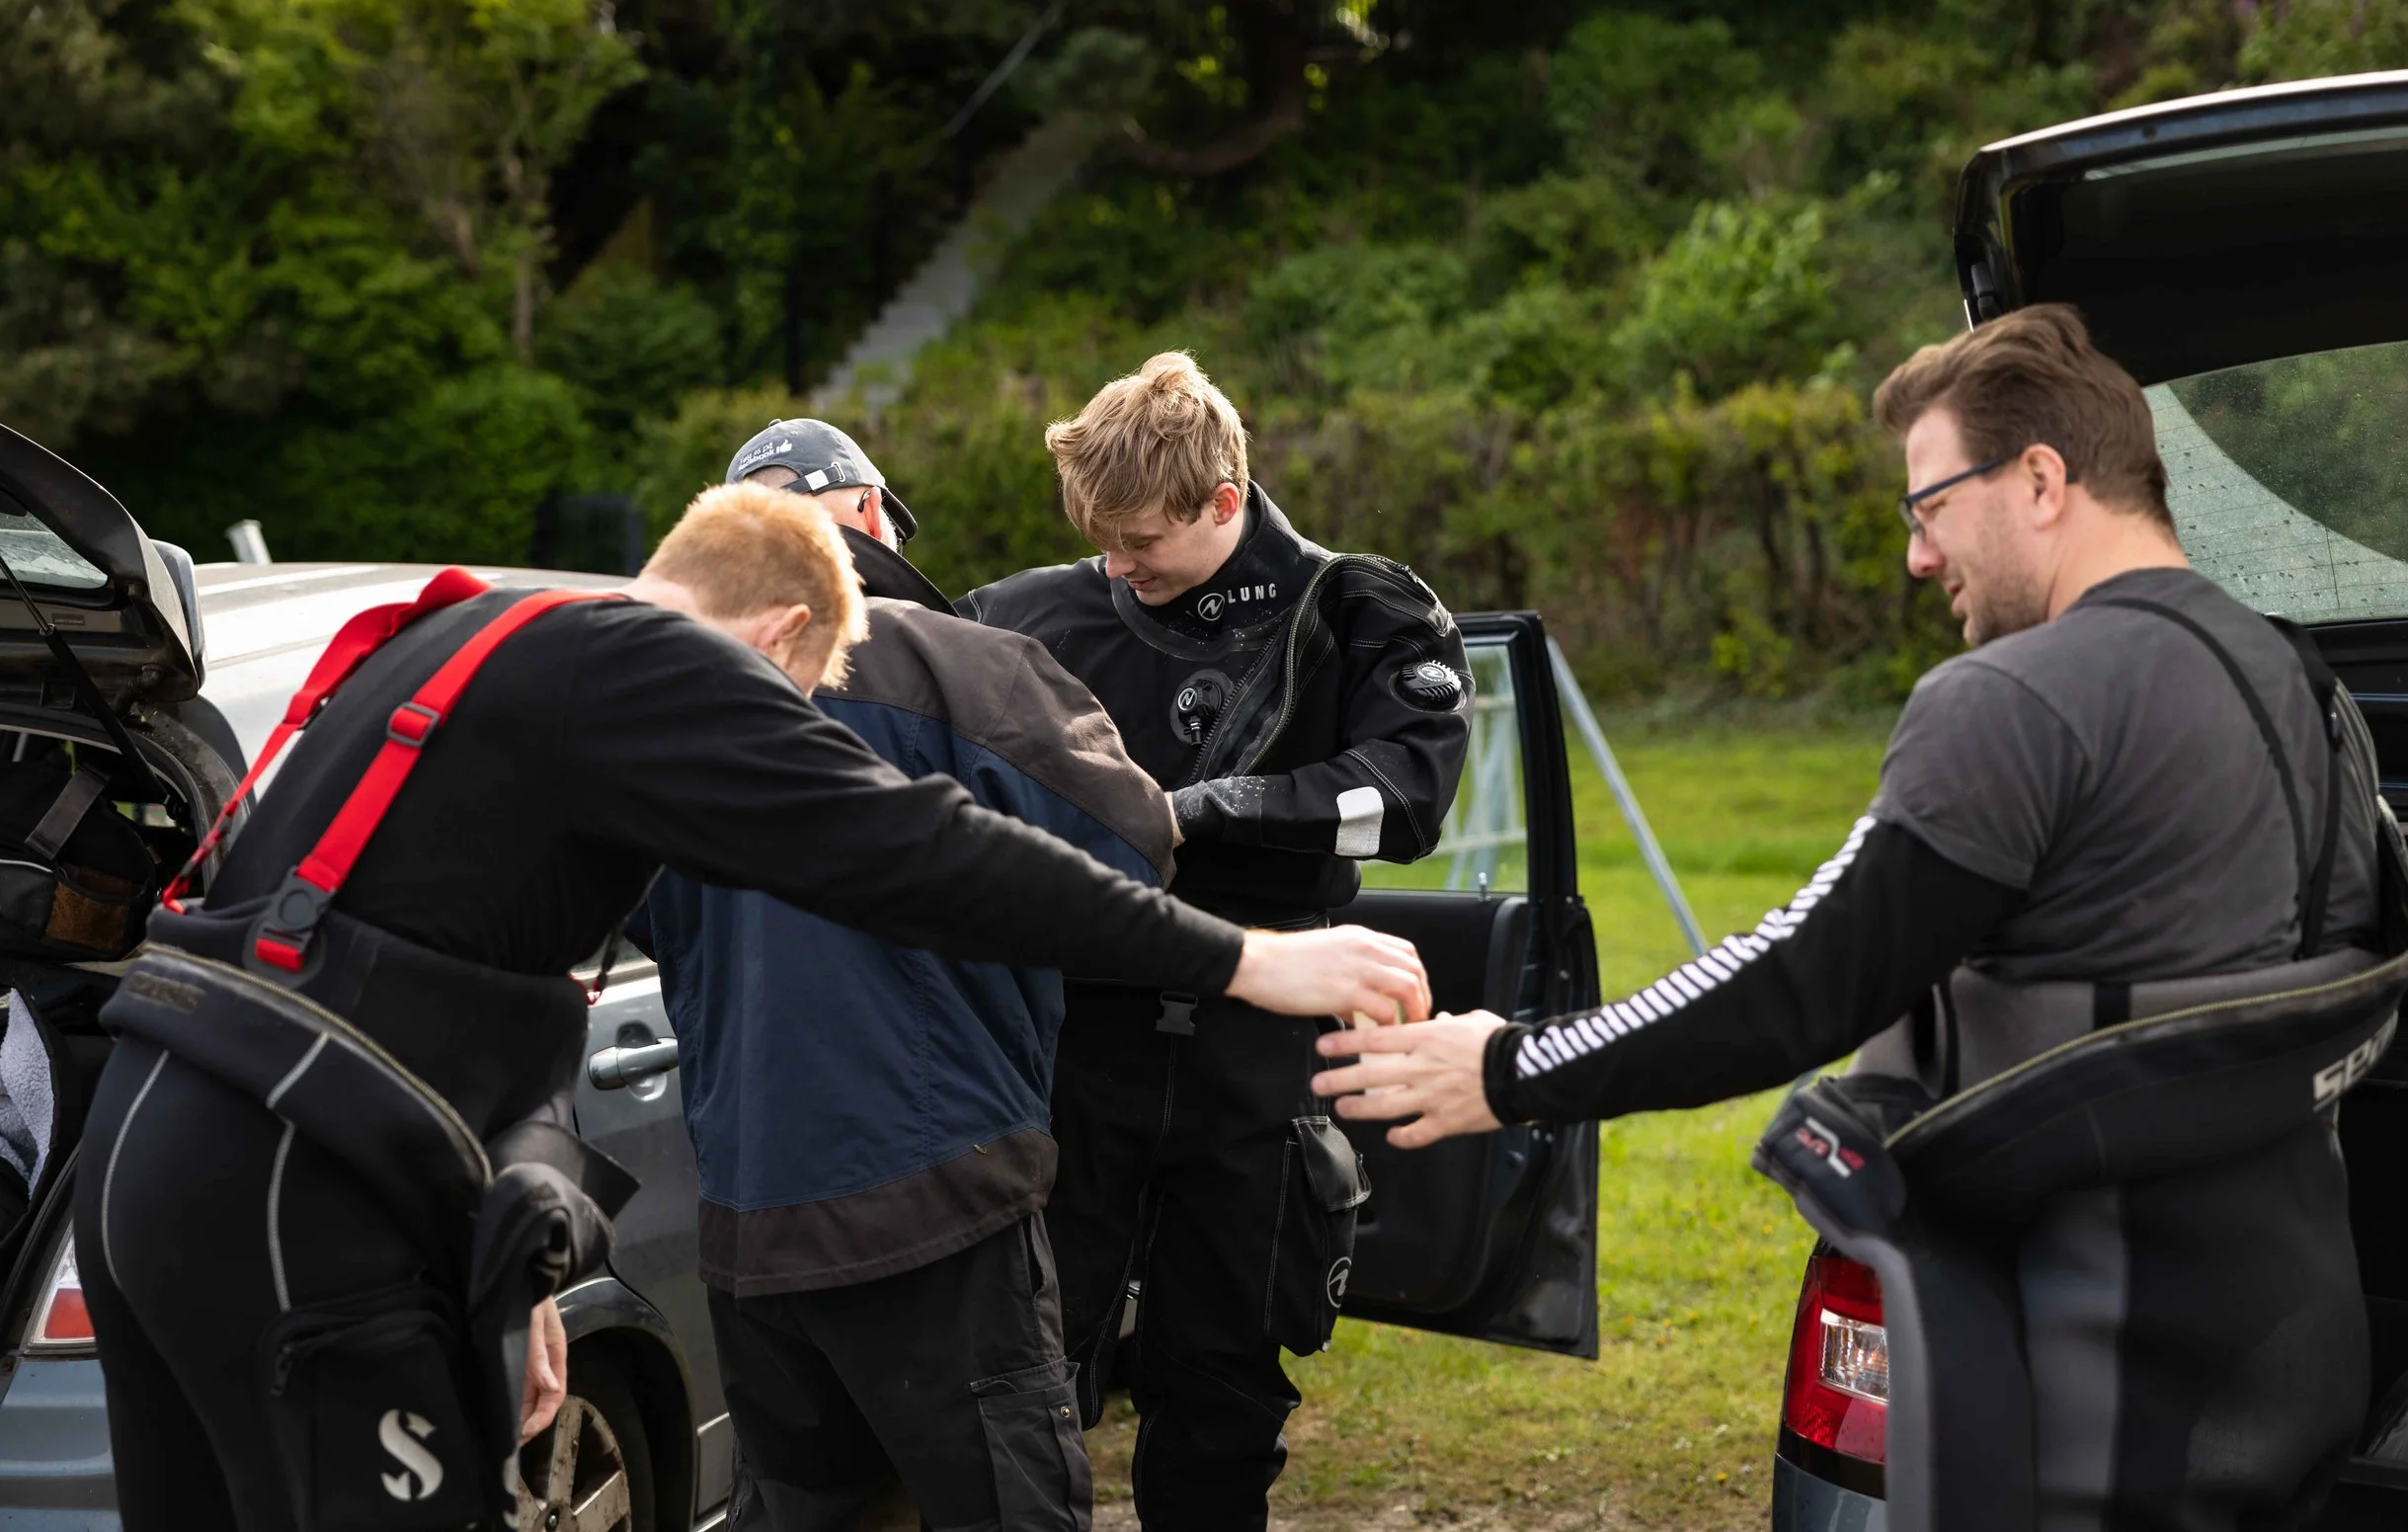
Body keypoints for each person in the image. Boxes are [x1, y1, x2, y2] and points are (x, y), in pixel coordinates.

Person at [78, 482, 1432, 1532]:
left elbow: (468, 961)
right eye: (789, 708)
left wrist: (516, 1255)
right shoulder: (659, 665)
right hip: (298, 1176)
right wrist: (1247, 958)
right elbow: (916, 847)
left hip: (144, 1144)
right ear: (782, 634)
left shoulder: (466, 633)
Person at [1313, 304, 2408, 1529]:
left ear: (2040, 479)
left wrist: (1511, 1064)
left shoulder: (2014, 700)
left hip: (2098, 1381)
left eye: (1928, 505)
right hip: (2294, 1346)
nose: (1917, 556)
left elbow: (1804, 969)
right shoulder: (2298, 679)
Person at [958, 352, 1473, 1529]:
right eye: (1098, 538)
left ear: (1225, 499)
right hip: (1071, 1044)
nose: (1118, 565)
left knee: (1223, 1372)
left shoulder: (1359, 613)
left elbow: (1405, 800)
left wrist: (1200, 810)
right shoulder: (1019, 614)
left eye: (1139, 537)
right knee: (1027, 1367)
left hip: (1261, 1055)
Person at [637, 420, 1173, 1530]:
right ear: (874, 517)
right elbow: (1135, 847)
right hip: (939, 1202)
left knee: (804, 1506)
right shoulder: (956, 661)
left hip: (747, 1218)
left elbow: (636, 909)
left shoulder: (657, 703)